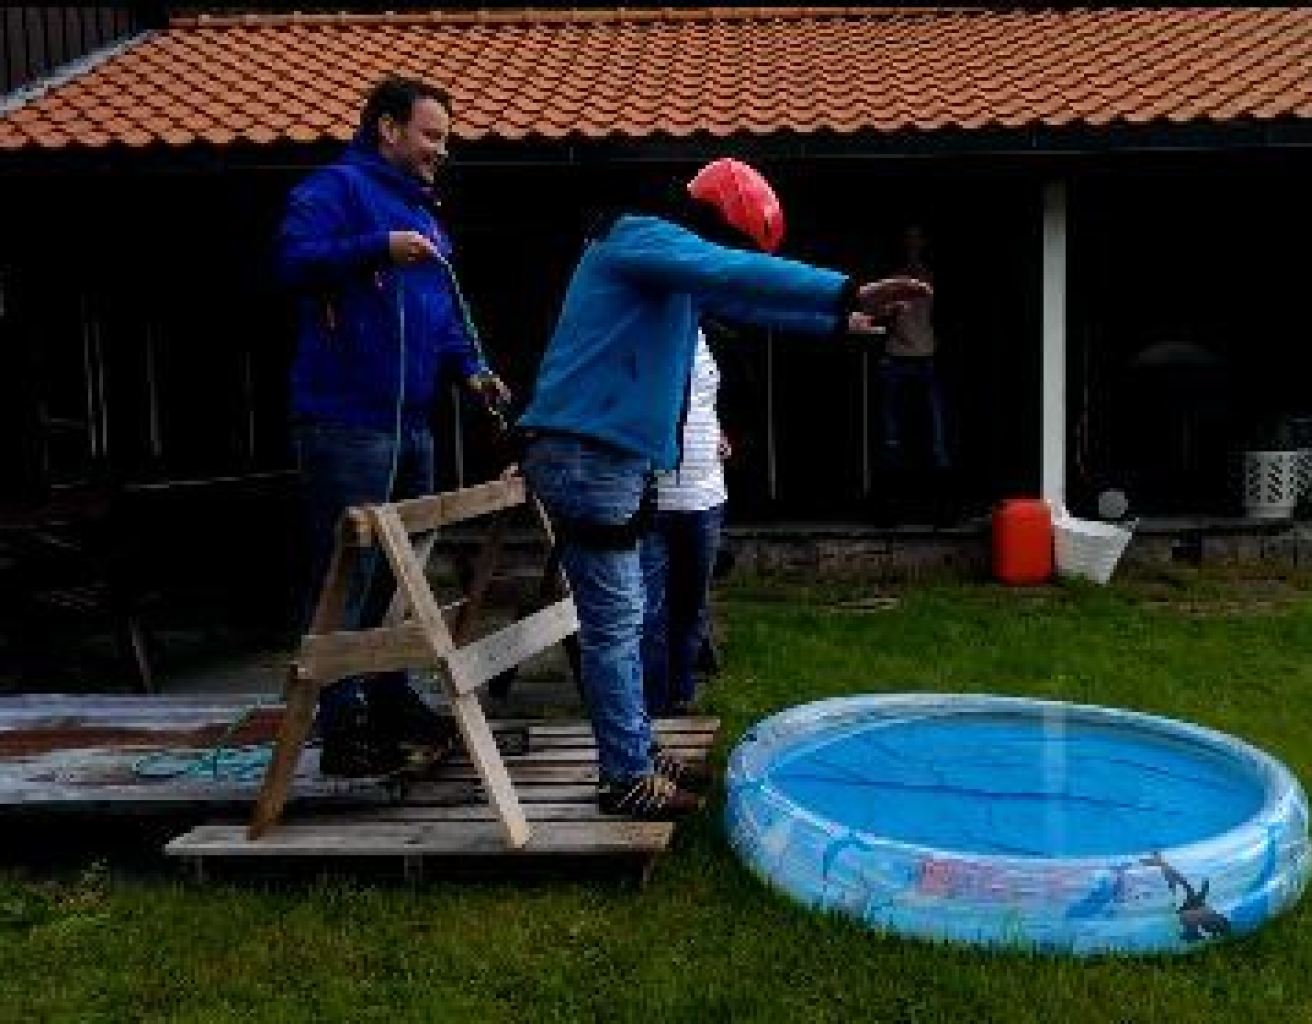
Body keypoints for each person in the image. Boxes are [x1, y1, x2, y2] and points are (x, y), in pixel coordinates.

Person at [517, 157, 929, 820]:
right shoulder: (640, 237)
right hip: (587, 457)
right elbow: (736, 272)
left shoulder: (667, 268)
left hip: (604, 458)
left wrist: (830, 321)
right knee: (618, 623)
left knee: (622, 618)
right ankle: (624, 775)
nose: (722, 254)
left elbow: (739, 296)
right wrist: (848, 289)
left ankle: (634, 750)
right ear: (711, 220)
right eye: (727, 240)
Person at [275, 75, 510, 777]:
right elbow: (290, 262)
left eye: (445, 138)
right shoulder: (333, 190)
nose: (443, 149)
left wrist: (472, 369)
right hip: (346, 422)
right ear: (388, 128)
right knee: (349, 572)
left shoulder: (428, 218)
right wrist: (376, 247)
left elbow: (441, 317)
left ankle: (388, 696)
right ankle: (341, 725)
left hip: (413, 424)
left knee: (403, 574)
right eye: (432, 135)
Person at [640, 328, 729, 718]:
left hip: (706, 494)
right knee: (648, 611)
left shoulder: (703, 338)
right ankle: (652, 710)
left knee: (691, 607)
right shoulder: (639, 334)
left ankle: (680, 696)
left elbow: (702, 403)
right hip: (651, 496)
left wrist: (716, 434)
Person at [873, 224, 951, 522]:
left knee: (935, 437)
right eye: (908, 239)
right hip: (896, 359)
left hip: (926, 358)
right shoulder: (891, 279)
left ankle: (940, 511)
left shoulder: (932, 275)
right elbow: (875, 315)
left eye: (917, 239)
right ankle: (891, 511)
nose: (912, 244)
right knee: (892, 438)